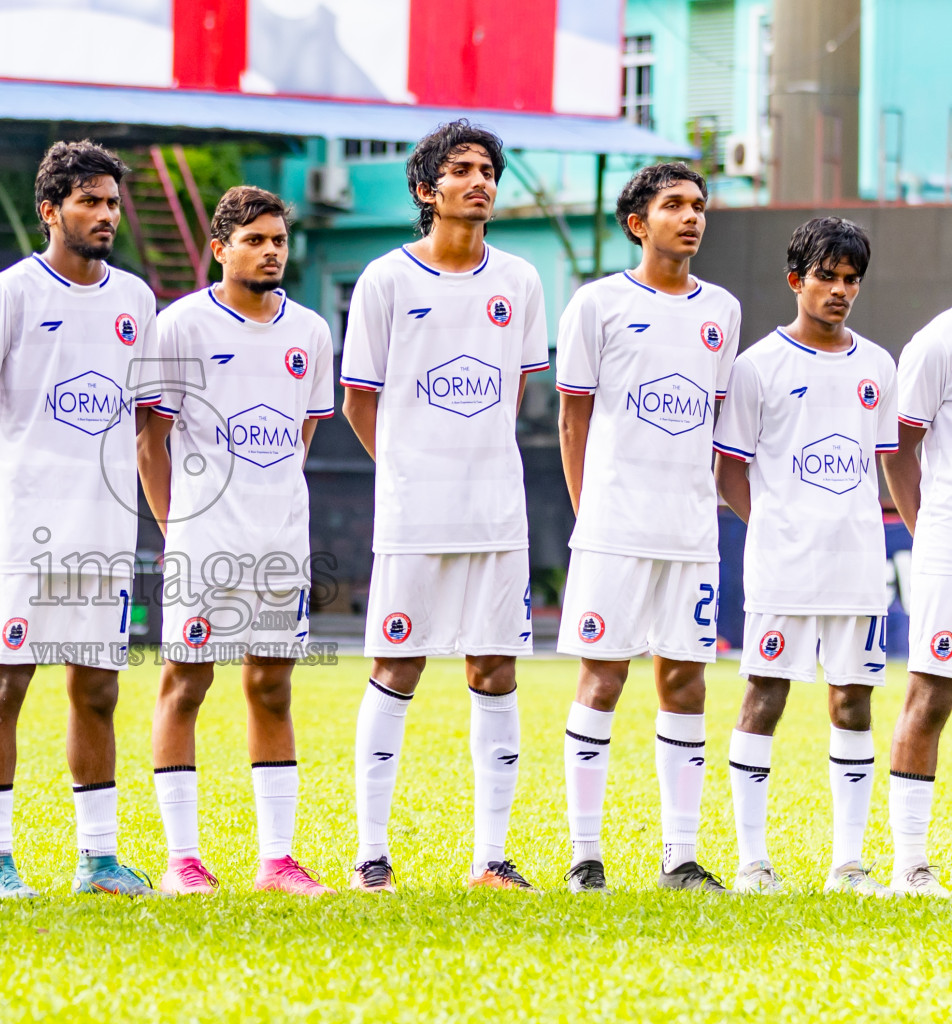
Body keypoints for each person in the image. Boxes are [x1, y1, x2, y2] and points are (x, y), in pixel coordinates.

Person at [341, 121, 549, 893]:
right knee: (397, 664)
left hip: (497, 514)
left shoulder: (520, 280)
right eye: (461, 169)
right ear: (427, 191)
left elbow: (514, 392)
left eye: (489, 169)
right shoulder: (384, 280)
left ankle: (492, 859)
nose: (480, 181)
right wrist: (407, 469)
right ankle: (371, 855)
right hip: (413, 515)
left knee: (495, 668)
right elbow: (360, 400)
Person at [0, 140, 162, 897]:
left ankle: (99, 859)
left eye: (112, 202)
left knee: (98, 689)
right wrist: (16, 468)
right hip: (26, 529)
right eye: (89, 200)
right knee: (6, 685)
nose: (105, 214)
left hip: (106, 530)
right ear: (51, 211)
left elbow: (145, 417)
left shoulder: (136, 299)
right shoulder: (7, 293)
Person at [137, 186, 335, 896]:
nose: (270, 251)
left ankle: (277, 860)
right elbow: (149, 438)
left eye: (278, 239)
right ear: (219, 249)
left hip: (280, 541)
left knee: (272, 688)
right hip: (202, 539)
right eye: (254, 240)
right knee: (185, 683)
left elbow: (302, 432)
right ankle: (183, 860)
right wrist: (175, 526)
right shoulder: (180, 325)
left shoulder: (310, 330)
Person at [554, 162, 740, 893]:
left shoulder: (720, 310)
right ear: (639, 223)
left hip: (691, 533)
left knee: (685, 682)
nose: (691, 216)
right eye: (674, 205)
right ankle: (584, 855)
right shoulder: (597, 305)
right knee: (601, 680)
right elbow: (573, 418)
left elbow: (716, 420)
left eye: (698, 205)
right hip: (612, 531)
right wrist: (589, 513)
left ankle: (681, 856)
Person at [713, 217, 895, 896]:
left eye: (851, 279)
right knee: (765, 695)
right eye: (827, 276)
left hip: (856, 568)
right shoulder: (758, 366)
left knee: (852, 702)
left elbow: (876, 463)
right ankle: (752, 862)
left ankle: (848, 863)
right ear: (797, 280)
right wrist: (776, 526)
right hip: (782, 569)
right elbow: (728, 470)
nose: (840, 290)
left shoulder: (878, 365)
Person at [881, 277, 952, 897]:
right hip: (947, 542)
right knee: (930, 696)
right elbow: (899, 449)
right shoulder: (936, 344)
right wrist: (927, 527)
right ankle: (910, 864)